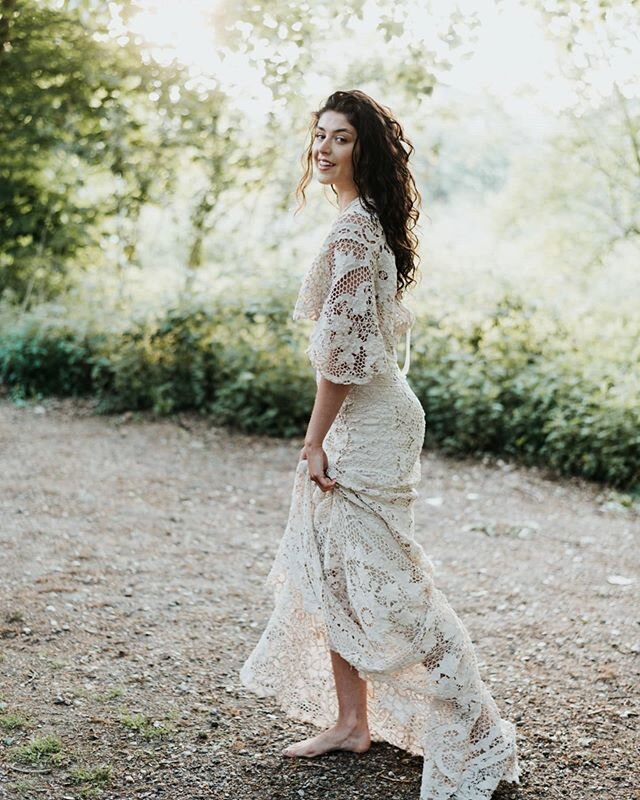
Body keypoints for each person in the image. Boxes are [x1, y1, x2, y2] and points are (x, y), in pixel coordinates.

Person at [240, 89, 521, 799]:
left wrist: (313, 441)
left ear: (365, 149)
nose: (324, 149)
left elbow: (342, 355)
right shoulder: (365, 224)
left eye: (340, 138)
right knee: (334, 566)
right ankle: (351, 721)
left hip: (369, 421)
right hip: (379, 411)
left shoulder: (352, 233)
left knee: (386, 583)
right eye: (320, 137)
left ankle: (476, 724)